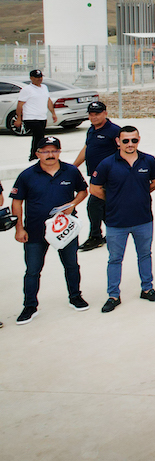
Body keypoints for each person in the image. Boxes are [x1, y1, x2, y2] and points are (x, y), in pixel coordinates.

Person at [8, 136, 89, 325]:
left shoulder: (71, 171)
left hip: (65, 229)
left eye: (54, 150)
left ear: (60, 152)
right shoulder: (27, 175)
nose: (50, 155)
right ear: (37, 153)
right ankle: (29, 306)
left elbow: (83, 191)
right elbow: (17, 202)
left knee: (71, 265)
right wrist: (19, 228)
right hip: (35, 231)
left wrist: (73, 203)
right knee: (33, 270)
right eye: (45, 151)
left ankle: (75, 297)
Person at [89, 125, 155, 311]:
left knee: (145, 255)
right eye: (126, 140)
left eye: (134, 140)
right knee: (115, 259)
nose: (130, 144)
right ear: (118, 141)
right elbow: (94, 188)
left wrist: (143, 192)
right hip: (116, 222)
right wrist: (114, 199)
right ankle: (113, 295)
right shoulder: (107, 163)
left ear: (139, 140)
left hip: (143, 219)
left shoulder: (148, 160)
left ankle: (147, 289)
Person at [75, 100, 121, 252]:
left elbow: (124, 152)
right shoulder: (91, 130)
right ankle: (116, 231)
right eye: (91, 114)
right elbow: (87, 148)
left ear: (105, 113)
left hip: (109, 177)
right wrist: (73, 167)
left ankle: (95, 236)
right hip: (95, 175)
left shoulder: (114, 131)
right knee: (105, 206)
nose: (94, 117)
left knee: (93, 205)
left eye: (97, 114)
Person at [14, 69, 56, 161]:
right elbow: (20, 105)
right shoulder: (27, 90)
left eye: (40, 77)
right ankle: (34, 156)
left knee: (39, 136)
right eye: (37, 77)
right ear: (31, 78)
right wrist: (19, 119)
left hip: (42, 117)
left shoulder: (44, 87)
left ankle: (37, 154)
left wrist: (53, 113)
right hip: (31, 117)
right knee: (39, 136)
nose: (39, 79)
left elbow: (48, 101)